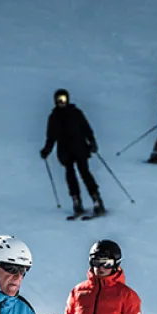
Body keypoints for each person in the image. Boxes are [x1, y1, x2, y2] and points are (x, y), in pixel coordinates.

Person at [40, 89, 105, 218]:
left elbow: (86, 128)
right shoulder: (53, 117)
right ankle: (76, 201)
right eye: (59, 100)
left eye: (63, 99)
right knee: (70, 175)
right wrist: (46, 150)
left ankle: (96, 199)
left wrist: (92, 142)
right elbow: (51, 137)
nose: (61, 102)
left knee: (84, 173)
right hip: (65, 151)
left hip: (79, 147)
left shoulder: (76, 113)